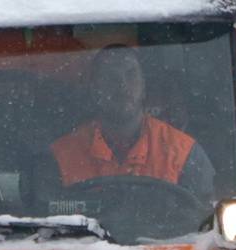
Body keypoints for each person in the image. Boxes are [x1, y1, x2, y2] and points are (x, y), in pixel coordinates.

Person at [45, 45, 216, 199]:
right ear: (94, 89)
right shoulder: (61, 157)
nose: (122, 85)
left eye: (131, 74)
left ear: (144, 86)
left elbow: (204, 226)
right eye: (110, 77)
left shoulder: (184, 154)